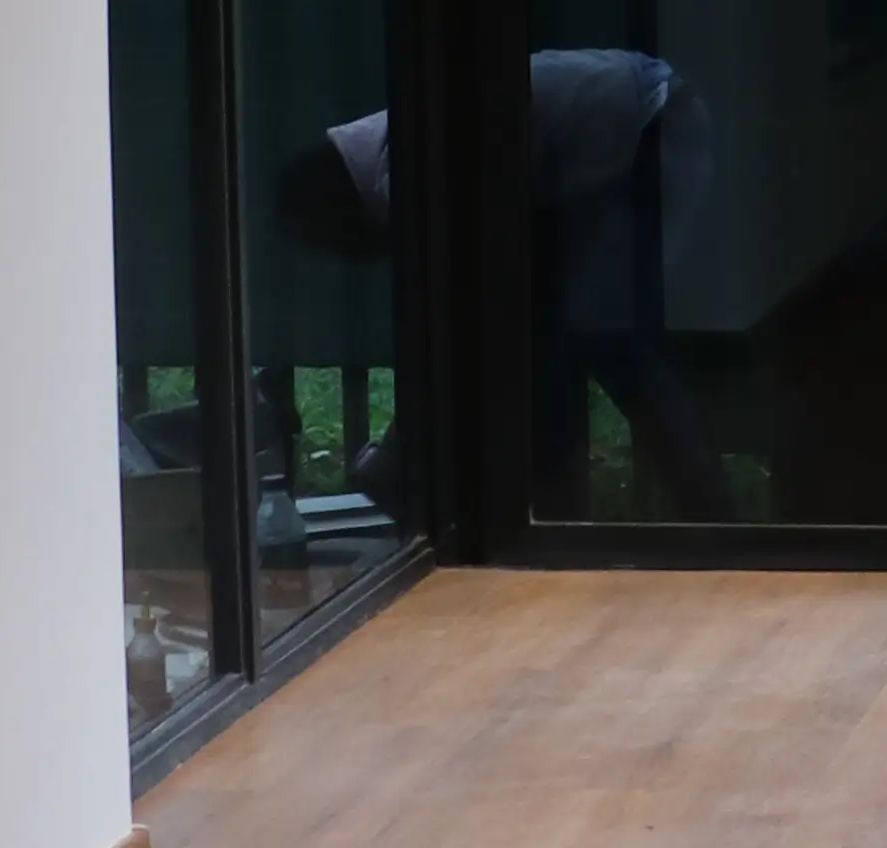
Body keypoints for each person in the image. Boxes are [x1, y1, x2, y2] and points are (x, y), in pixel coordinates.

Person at [274, 49, 728, 516]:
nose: (349, 259)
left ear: (342, 213)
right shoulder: (388, 152)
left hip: (647, 122)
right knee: (573, 341)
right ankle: (610, 515)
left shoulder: (412, 176)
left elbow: (463, 319)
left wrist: (403, 449)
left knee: (606, 338)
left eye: (333, 243)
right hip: (623, 121)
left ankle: (703, 519)